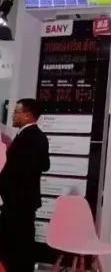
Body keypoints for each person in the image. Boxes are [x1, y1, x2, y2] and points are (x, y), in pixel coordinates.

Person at [0, 99, 50, 272]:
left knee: (17, 245)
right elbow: (45, 165)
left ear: (28, 116)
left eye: (16, 112)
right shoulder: (37, 136)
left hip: (18, 202)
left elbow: (16, 170)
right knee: (21, 242)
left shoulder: (29, 137)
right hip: (23, 201)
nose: (13, 115)